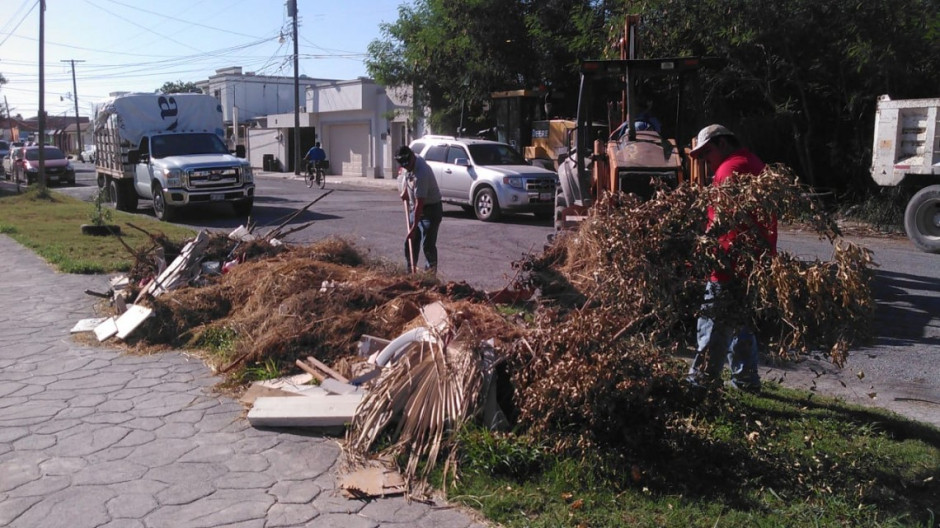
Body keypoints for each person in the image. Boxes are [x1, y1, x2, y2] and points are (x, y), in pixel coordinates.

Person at [686, 124, 778, 392]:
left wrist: (703, 248)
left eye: (707, 153)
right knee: (741, 324)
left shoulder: (729, 170)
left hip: (729, 261)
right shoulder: (754, 163)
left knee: (713, 322)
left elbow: (723, 219)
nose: (705, 160)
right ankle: (746, 381)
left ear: (722, 144)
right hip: (754, 262)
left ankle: (701, 382)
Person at [396, 145, 443, 274]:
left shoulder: (421, 173)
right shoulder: (408, 163)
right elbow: (407, 175)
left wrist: (413, 228)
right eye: (404, 165)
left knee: (427, 245)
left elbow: (419, 204)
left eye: (408, 164)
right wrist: (405, 191)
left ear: (412, 156)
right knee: (410, 242)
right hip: (415, 208)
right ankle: (411, 272)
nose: (407, 167)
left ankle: (430, 277)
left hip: (431, 210)